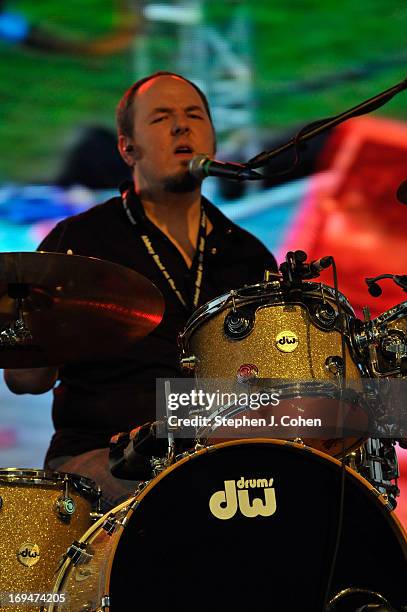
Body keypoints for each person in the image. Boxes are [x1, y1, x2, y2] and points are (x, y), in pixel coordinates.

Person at [4, 71, 277, 509]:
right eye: (161, 118)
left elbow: (270, 386)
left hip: (218, 458)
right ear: (127, 147)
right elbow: (26, 379)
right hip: (101, 457)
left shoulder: (248, 256)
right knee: (176, 494)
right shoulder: (79, 243)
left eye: (194, 115)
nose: (181, 126)